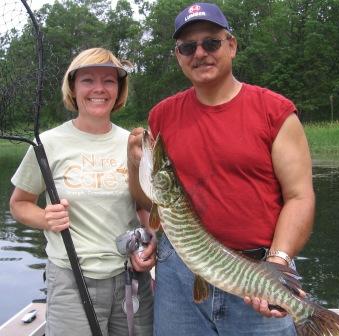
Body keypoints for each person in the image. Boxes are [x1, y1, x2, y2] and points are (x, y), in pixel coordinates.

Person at [127, 2, 315, 336]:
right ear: (178, 55)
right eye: (188, 47)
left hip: (259, 268)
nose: (199, 53)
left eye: (210, 42)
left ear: (231, 45)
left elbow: (300, 197)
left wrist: (277, 263)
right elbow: (149, 201)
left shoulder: (275, 111)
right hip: (180, 276)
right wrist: (134, 163)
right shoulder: (162, 116)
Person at [9, 47, 155, 336]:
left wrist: (150, 243)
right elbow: (19, 204)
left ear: (119, 89)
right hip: (71, 281)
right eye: (88, 80)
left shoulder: (133, 143)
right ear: (73, 88)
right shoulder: (47, 144)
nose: (98, 89)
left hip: (131, 276)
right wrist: (45, 218)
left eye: (109, 81)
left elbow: (142, 206)